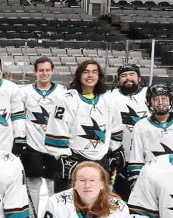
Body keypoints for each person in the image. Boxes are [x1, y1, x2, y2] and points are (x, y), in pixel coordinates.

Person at [45, 60, 119, 193]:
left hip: (101, 159)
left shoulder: (109, 99)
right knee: (68, 203)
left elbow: (115, 126)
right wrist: (63, 156)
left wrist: (114, 149)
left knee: (98, 203)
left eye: (94, 72)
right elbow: (57, 127)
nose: (90, 75)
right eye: (86, 72)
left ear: (99, 76)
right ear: (79, 75)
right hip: (74, 158)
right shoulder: (66, 99)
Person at [19, 57, 65, 206]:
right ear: (35, 72)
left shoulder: (62, 92)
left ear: (52, 71)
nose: (44, 73)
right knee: (33, 184)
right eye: (41, 70)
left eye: (47, 70)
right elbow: (19, 116)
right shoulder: (24, 92)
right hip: (32, 145)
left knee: (53, 185)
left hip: (54, 146)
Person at [121, 84, 173, 201]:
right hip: (153, 178)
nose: (160, 102)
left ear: (170, 100)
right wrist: (136, 183)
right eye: (156, 99)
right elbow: (136, 158)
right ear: (149, 103)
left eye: (164, 98)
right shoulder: (141, 126)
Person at [108, 63, 150, 199]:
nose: (128, 78)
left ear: (139, 77)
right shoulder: (110, 96)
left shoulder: (149, 94)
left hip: (146, 155)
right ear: (118, 79)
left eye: (132, 74)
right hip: (120, 155)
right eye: (123, 75)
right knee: (121, 194)